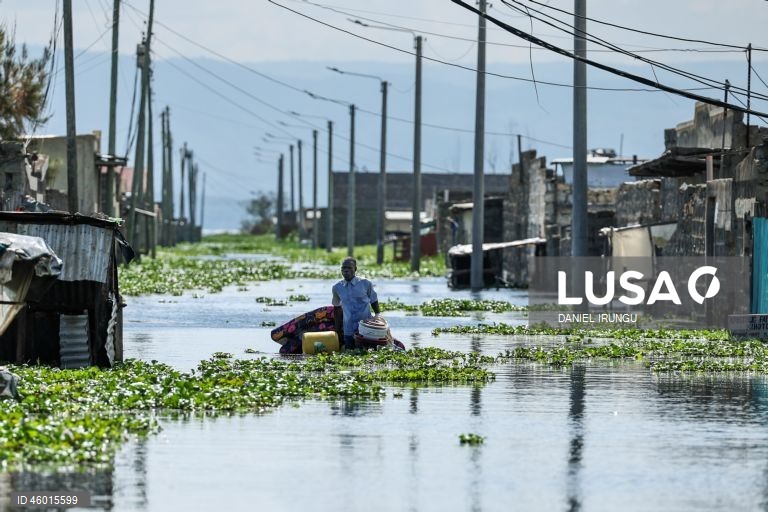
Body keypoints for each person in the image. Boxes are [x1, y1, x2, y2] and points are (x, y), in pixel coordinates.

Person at [332, 257, 380, 350]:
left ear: (355, 269)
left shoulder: (366, 283)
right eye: (343, 268)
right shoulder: (337, 287)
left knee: (365, 353)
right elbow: (336, 308)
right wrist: (338, 330)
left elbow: (373, 299)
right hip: (348, 328)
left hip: (365, 328)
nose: (346, 270)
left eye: (349, 268)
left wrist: (377, 316)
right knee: (349, 354)